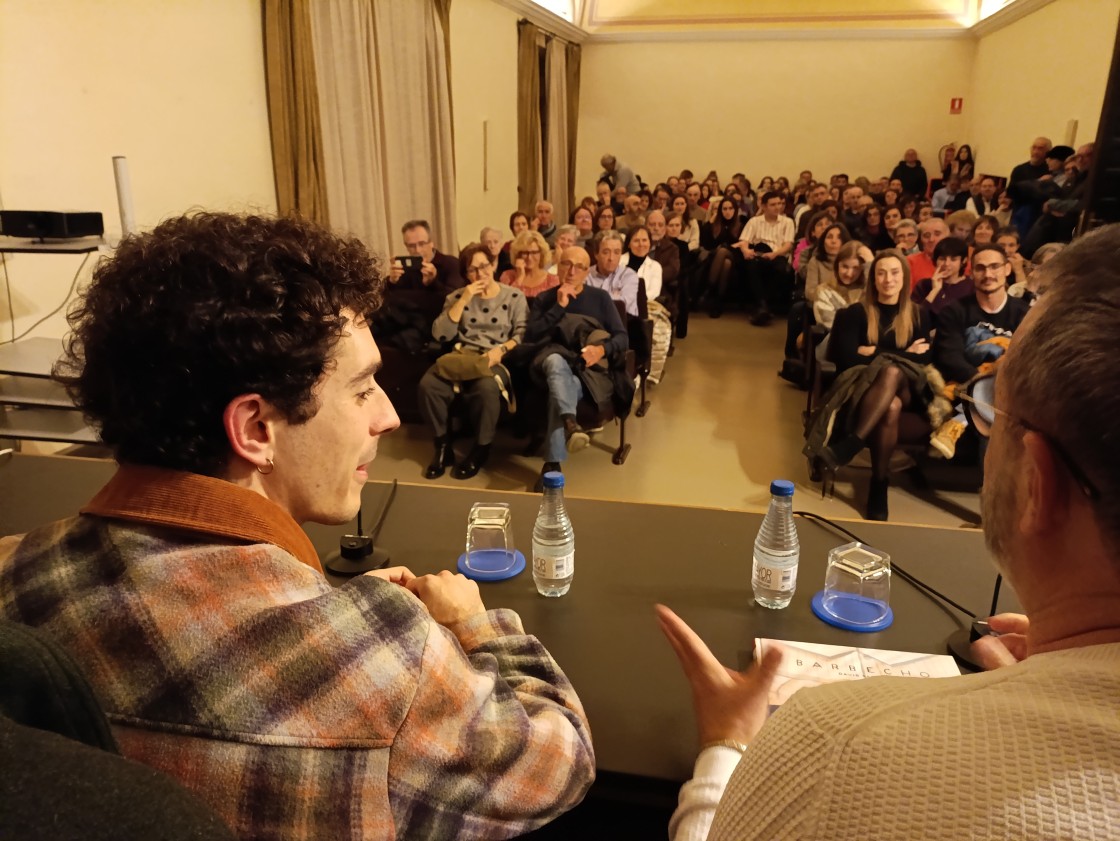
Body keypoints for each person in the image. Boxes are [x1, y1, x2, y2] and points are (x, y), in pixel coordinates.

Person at [0, 212, 595, 839]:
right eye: (363, 389)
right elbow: (561, 760)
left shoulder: (13, 570)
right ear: (257, 429)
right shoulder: (380, 656)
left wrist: (326, 606)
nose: (390, 417)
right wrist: (472, 625)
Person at [662, 225, 1120, 841]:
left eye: (991, 404)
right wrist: (1067, 664)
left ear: (1038, 482)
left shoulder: (835, 741)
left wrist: (722, 748)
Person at [816, 249, 934, 520]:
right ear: (873, 279)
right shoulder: (853, 313)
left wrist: (874, 352)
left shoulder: (918, 314)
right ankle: (879, 482)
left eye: (894, 273)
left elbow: (925, 357)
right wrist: (904, 353)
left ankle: (853, 442)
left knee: (893, 373)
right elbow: (844, 357)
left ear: (904, 278)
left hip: (910, 388)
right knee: (890, 407)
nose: (888, 279)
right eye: (881, 273)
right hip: (864, 387)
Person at [419, 244, 528, 479]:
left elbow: (521, 333)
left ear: (494, 265)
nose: (480, 274)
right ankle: (443, 446)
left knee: (486, 389)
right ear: (465, 274)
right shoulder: (457, 296)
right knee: (429, 385)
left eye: (484, 266)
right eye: (472, 270)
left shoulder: (514, 296)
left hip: (493, 356)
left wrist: (501, 350)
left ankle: (481, 448)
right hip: (462, 355)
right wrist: (464, 297)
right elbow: (441, 335)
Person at [524, 246, 629, 481]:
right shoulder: (546, 298)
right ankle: (571, 425)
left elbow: (622, 337)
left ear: (586, 271)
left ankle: (553, 462)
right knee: (553, 361)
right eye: (566, 264)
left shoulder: (600, 298)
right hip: (547, 367)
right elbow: (531, 336)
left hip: (585, 374)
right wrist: (558, 307)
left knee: (559, 390)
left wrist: (601, 349)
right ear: (558, 267)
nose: (571, 271)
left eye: (579, 266)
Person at [929, 242, 1029, 459]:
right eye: (981, 268)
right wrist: (982, 381)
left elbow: (1028, 361)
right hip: (965, 386)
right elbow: (949, 357)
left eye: (994, 267)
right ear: (972, 273)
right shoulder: (954, 311)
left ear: (1007, 269)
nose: (988, 274)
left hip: (1012, 388)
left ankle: (957, 424)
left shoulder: (1025, 315)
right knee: (991, 402)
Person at [372, 219, 465, 351]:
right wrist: (391, 282)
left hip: (434, 324)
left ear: (431, 243)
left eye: (422, 244)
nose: (417, 250)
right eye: (411, 246)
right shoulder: (406, 268)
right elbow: (389, 299)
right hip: (402, 321)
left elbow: (455, 300)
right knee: (375, 328)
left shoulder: (450, 264)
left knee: (399, 340)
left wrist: (433, 283)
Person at [735, 191, 796, 326]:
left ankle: (762, 306)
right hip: (759, 254)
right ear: (764, 206)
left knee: (783, 270)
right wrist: (745, 250)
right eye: (773, 204)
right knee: (751, 266)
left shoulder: (788, 222)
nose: (777, 207)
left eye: (779, 204)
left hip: (777, 255)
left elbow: (788, 245)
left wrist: (774, 254)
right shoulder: (755, 221)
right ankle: (763, 306)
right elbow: (744, 240)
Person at [624, 225, 673, 383]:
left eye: (644, 240)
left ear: (650, 243)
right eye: (636, 240)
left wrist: (634, 300)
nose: (640, 244)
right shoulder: (619, 261)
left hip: (645, 305)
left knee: (650, 326)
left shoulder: (655, 266)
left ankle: (643, 369)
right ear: (629, 243)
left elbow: (653, 292)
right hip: (620, 306)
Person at [911, 235, 973, 326]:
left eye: (953, 259)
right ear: (935, 260)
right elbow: (914, 319)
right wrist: (934, 291)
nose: (947, 264)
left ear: (963, 261)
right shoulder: (924, 285)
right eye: (942, 259)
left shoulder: (971, 287)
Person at [700, 197, 745, 317]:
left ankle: (710, 289)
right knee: (725, 263)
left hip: (736, 257)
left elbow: (742, 245)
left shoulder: (741, 225)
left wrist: (729, 247)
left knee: (724, 252)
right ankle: (718, 301)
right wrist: (710, 223)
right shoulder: (715, 224)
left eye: (730, 208)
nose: (728, 211)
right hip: (715, 259)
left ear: (735, 210)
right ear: (720, 210)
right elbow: (706, 244)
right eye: (724, 209)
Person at [812, 239, 868, 331]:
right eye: (845, 267)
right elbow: (830, 325)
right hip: (833, 340)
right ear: (837, 265)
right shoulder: (824, 291)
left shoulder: (867, 291)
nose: (849, 273)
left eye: (856, 268)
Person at [587, 230, 641, 318]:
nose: (611, 258)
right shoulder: (586, 275)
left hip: (624, 324)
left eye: (616, 252)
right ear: (596, 254)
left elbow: (622, 305)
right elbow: (583, 304)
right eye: (606, 252)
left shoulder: (629, 275)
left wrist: (595, 299)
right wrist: (614, 297)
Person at [500, 230, 559, 299]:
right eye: (525, 253)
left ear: (541, 254)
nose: (529, 258)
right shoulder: (507, 276)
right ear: (518, 254)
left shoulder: (552, 280)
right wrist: (520, 278)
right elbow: (505, 303)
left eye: (534, 252)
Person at [907, 217, 949, 287]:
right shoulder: (910, 262)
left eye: (937, 234)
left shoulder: (960, 262)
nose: (931, 239)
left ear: (948, 236)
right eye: (926, 236)